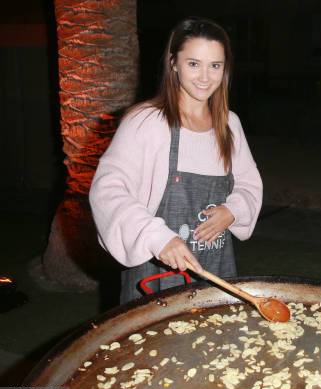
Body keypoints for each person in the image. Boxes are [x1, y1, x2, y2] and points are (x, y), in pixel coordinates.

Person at [90, 17, 263, 303]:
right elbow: (108, 190)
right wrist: (157, 237)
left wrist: (233, 210)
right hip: (155, 270)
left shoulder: (230, 124)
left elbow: (249, 184)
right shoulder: (146, 121)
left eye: (215, 65)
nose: (205, 77)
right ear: (174, 63)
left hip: (216, 266)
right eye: (194, 63)